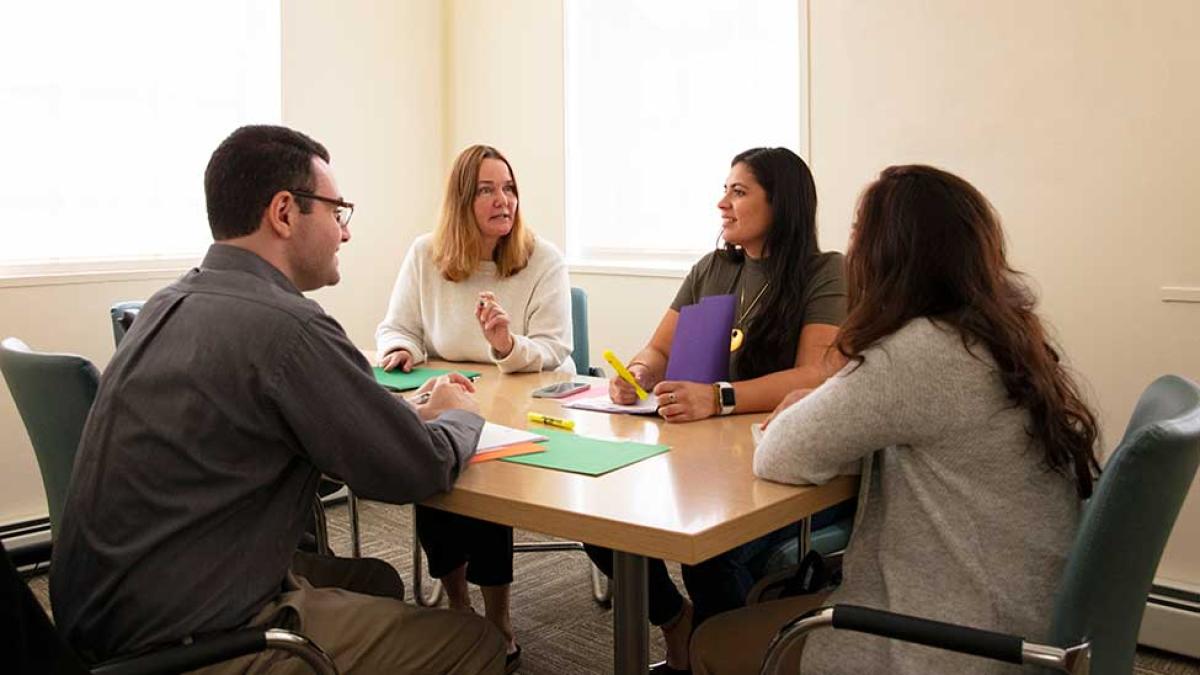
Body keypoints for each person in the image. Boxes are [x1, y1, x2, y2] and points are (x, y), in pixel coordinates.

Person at [50, 125, 506, 675]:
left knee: (377, 581)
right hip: (194, 638)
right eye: (338, 212)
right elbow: (415, 469)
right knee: (475, 641)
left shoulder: (166, 304)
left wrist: (407, 414)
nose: (345, 233)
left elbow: (274, 423)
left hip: (102, 619)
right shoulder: (289, 327)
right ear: (285, 213)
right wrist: (460, 416)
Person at [690, 165, 1101, 675]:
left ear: (888, 253)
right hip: (1023, 619)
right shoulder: (1000, 336)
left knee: (713, 641)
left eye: (860, 230)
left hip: (948, 641)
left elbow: (780, 454)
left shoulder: (917, 352)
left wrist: (826, 386)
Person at [588, 147, 850, 674]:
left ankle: (729, 659)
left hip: (771, 465)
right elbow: (657, 351)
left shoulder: (825, 272)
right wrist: (636, 374)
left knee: (708, 554)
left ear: (783, 204)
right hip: (695, 456)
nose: (721, 203)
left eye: (738, 191)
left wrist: (720, 396)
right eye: (725, 190)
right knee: (600, 519)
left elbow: (814, 377)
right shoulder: (710, 269)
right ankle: (677, 624)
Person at [375, 144, 572, 669]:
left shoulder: (542, 259)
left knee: (487, 485)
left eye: (509, 188)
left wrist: (507, 344)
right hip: (450, 398)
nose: (502, 199)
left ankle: (499, 616)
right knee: (434, 477)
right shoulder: (426, 254)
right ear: (462, 201)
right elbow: (398, 325)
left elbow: (558, 351)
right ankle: (459, 608)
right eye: (487, 189)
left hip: (520, 405)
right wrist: (403, 348)